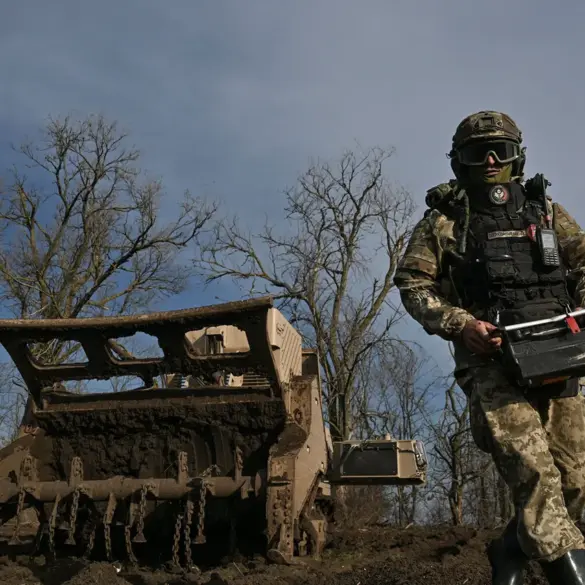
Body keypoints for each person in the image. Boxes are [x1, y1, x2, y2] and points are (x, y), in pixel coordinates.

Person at [393, 110, 585, 585]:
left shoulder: (547, 212)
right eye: (480, 153)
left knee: (576, 483)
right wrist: (460, 324)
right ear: (461, 162)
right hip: (492, 363)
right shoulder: (443, 223)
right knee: (534, 472)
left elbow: (583, 264)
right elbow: (413, 283)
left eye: (501, 151)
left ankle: (509, 548)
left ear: (518, 157)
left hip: (559, 356)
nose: (492, 161)